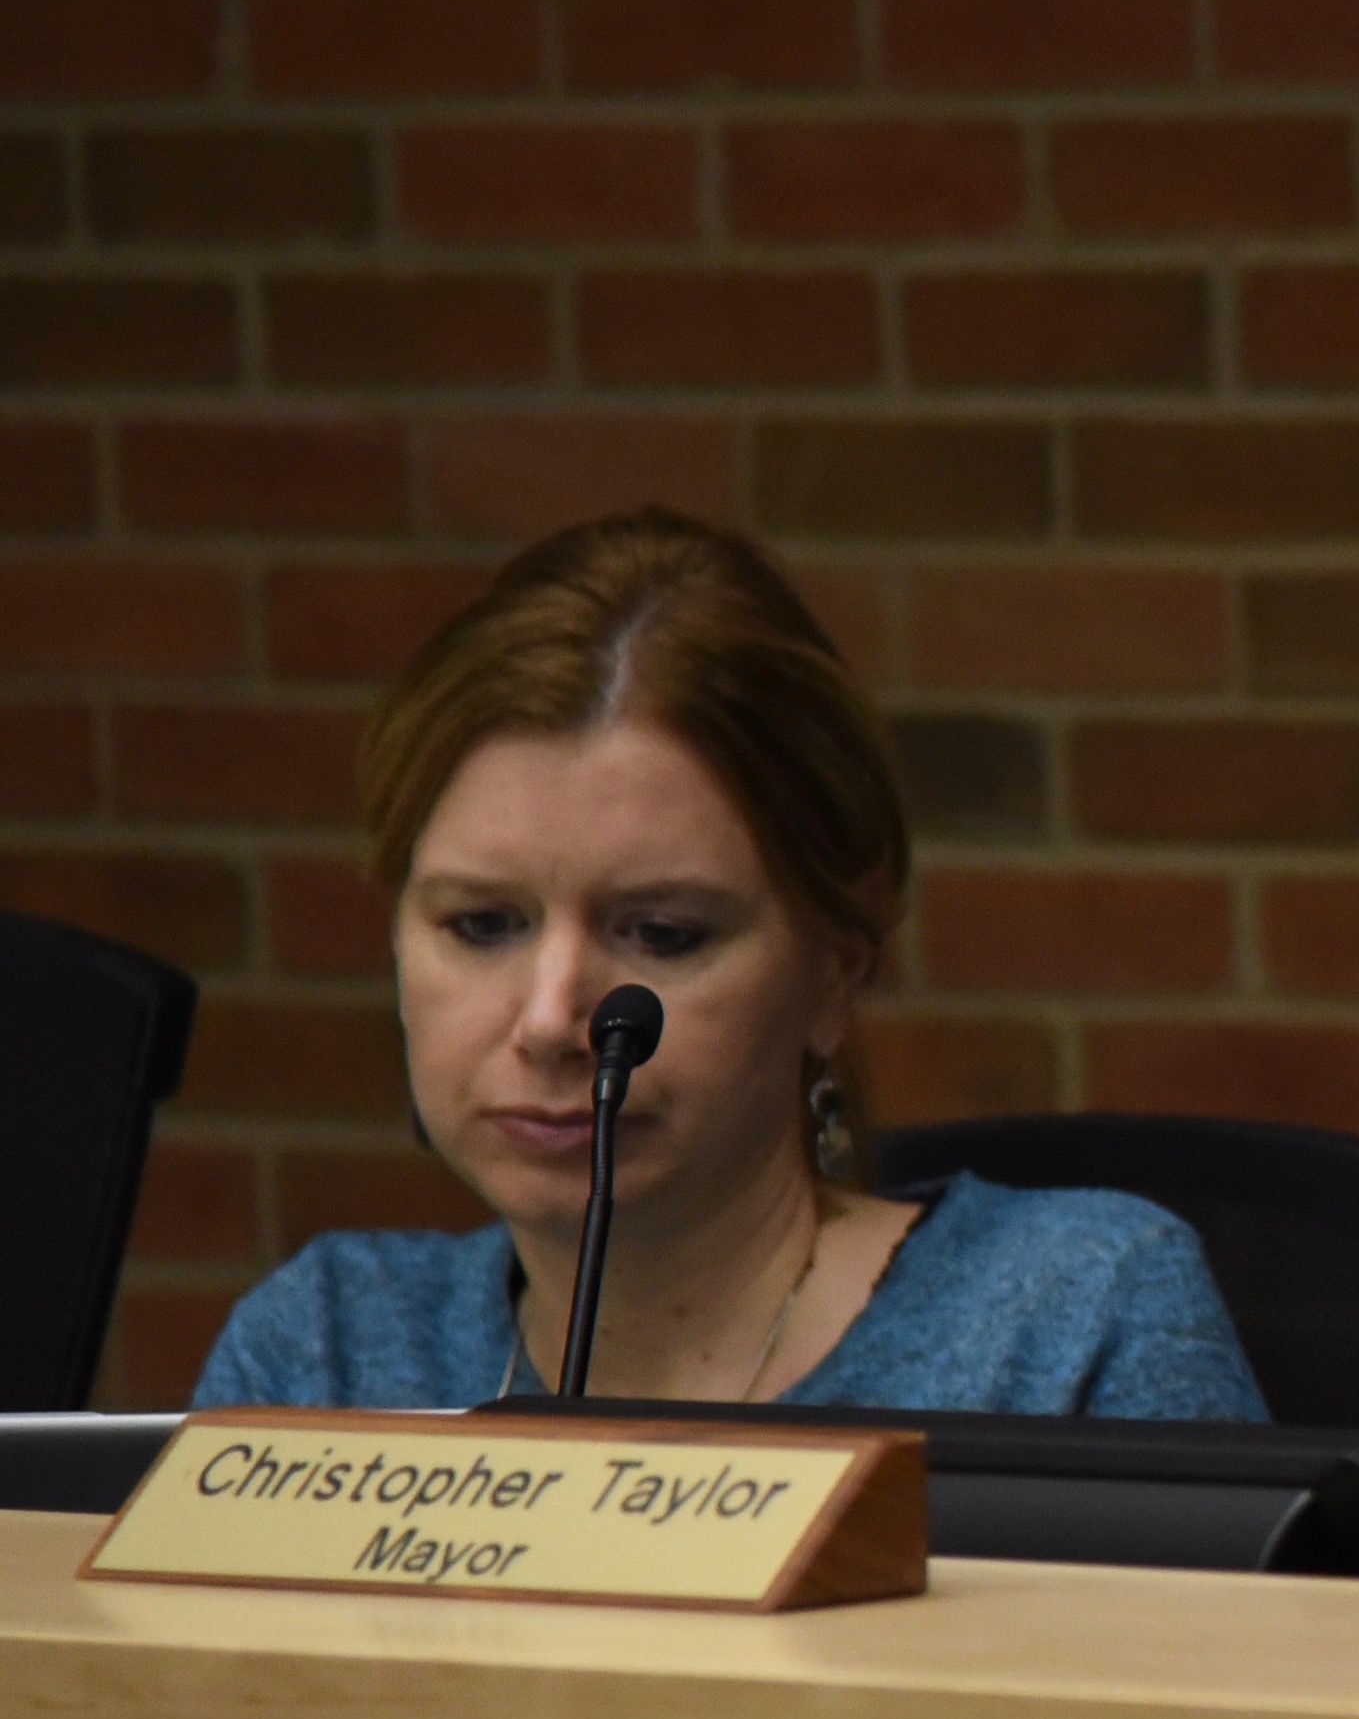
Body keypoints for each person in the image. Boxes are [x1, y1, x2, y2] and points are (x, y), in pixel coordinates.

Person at [192, 509, 1265, 1423]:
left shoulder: (1068, 1321)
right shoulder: (327, 1349)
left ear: (838, 971)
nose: (554, 1016)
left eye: (661, 934)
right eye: (482, 926)